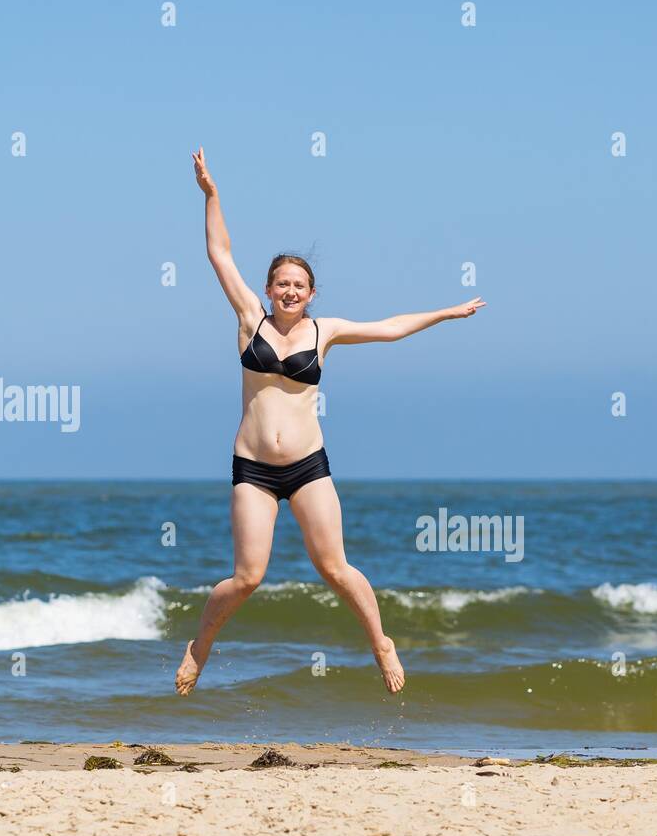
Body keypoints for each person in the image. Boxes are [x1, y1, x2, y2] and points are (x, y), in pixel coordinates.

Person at [174, 146, 485, 697]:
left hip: (308, 467)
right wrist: (212, 194)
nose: (289, 291)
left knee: (336, 568)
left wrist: (444, 313)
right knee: (248, 576)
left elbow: (390, 327)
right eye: (281, 283)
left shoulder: (327, 331)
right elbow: (219, 253)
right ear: (269, 289)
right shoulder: (250, 318)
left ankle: (381, 642)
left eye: (299, 285)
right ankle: (201, 645)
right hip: (253, 469)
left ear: (311, 294)